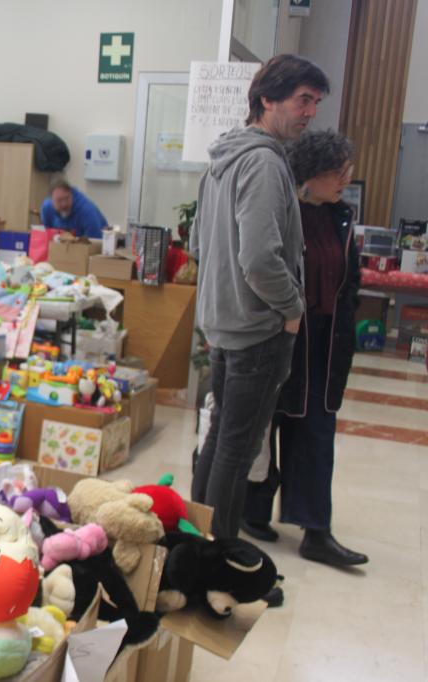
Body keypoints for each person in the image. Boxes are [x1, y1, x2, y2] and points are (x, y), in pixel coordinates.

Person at [190, 54, 329, 540]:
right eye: (302, 100)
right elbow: (260, 259)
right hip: (256, 328)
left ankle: (200, 542)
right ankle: (221, 556)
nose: (310, 112)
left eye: (315, 102)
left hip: (225, 323)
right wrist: (292, 309)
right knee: (238, 447)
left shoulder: (223, 158)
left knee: (220, 439)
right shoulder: (265, 162)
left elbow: (196, 245)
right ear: (267, 99)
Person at [241, 130, 368, 567]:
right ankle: (251, 512)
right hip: (284, 336)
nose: (345, 179)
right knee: (265, 427)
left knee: (317, 430)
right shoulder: (283, 210)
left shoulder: (342, 218)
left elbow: (350, 281)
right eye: (337, 171)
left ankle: (317, 531)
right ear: (310, 175)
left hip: (326, 342)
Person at [39, 178, 107, 239]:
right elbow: (49, 238)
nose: (64, 204)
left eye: (67, 198)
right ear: (52, 200)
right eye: (59, 200)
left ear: (71, 194)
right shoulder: (47, 209)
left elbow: (95, 242)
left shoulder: (86, 211)